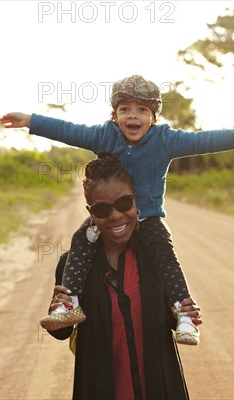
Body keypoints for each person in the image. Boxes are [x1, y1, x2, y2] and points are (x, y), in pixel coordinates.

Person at [1, 75, 234, 345]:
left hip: (147, 217)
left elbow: (203, 140)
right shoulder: (104, 136)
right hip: (109, 215)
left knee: (165, 256)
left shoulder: (165, 140)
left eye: (141, 110)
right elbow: (70, 131)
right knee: (80, 239)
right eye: (125, 109)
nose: (133, 116)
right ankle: (69, 303)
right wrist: (31, 121)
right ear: (115, 115)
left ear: (153, 117)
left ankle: (184, 314)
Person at [45, 152, 201, 399]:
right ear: (90, 212)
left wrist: (182, 313)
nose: (116, 215)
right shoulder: (73, 265)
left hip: (159, 387)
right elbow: (61, 331)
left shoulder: (154, 259)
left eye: (124, 203)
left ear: (136, 201)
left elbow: (172, 319)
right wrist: (57, 307)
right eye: (102, 209)